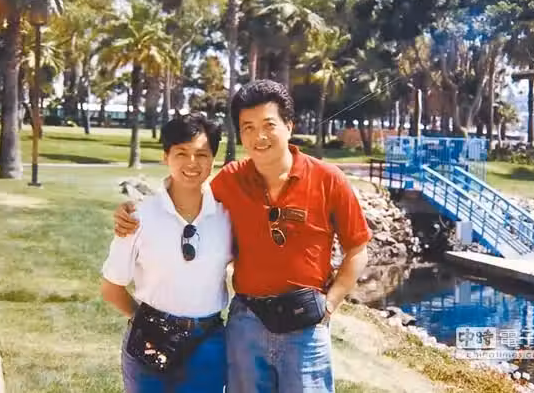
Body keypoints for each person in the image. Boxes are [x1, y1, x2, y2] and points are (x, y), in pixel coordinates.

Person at [113, 80, 371, 393]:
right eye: (248, 127)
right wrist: (136, 210)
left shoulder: (329, 179)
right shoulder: (230, 180)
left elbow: (357, 248)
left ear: (289, 125)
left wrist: (330, 304)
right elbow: (187, 192)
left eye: (268, 125)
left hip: (306, 325)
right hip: (246, 323)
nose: (258, 136)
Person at [101, 113, 232, 393]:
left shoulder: (227, 217)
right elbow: (111, 288)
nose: (192, 163)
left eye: (202, 154)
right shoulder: (138, 216)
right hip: (149, 340)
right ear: (165, 157)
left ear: (213, 159)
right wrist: (146, 324)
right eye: (181, 153)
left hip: (207, 345)